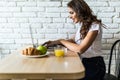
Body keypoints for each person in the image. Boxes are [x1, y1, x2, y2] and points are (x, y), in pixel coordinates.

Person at [22, 0, 106, 80]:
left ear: (80, 11)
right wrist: (53, 42)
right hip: (83, 62)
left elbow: (80, 49)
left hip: (94, 66)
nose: (70, 16)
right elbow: (73, 40)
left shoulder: (94, 25)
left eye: (72, 13)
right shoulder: (82, 25)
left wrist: (62, 41)